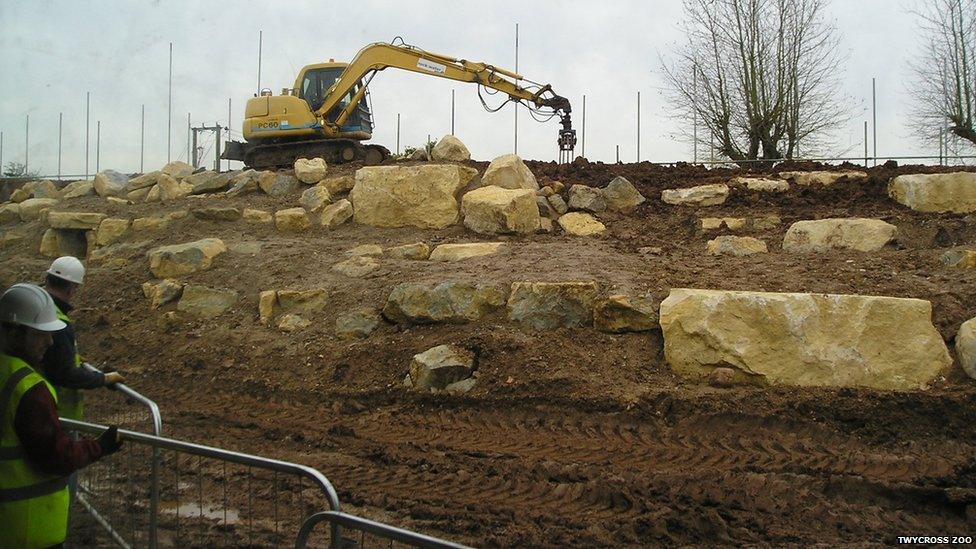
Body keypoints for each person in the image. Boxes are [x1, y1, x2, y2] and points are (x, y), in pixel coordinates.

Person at [0, 283, 122, 548]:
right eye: (40, 334)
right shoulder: (27, 387)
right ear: (13, 332)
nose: (49, 342)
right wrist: (99, 446)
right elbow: (57, 456)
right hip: (26, 528)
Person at [41, 256, 124, 422]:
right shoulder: (58, 322)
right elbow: (65, 374)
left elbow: (50, 356)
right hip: (55, 415)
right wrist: (103, 379)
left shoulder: (36, 307)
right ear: (72, 288)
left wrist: (70, 355)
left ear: (47, 279)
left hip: (39, 409)